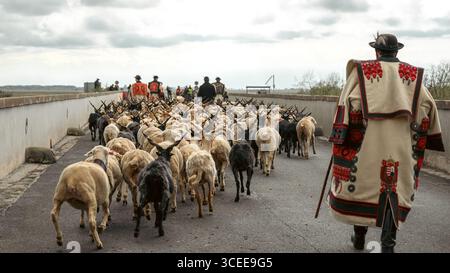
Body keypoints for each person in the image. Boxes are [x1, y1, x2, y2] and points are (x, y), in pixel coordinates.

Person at [327, 33, 444, 253]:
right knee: (392, 191)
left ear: (376, 52)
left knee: (362, 187)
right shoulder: (412, 75)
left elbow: (347, 104)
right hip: (400, 147)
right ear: (397, 51)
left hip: (368, 144)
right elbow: (427, 108)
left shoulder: (361, 71)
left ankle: (359, 236)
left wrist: (343, 132)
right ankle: (388, 246)